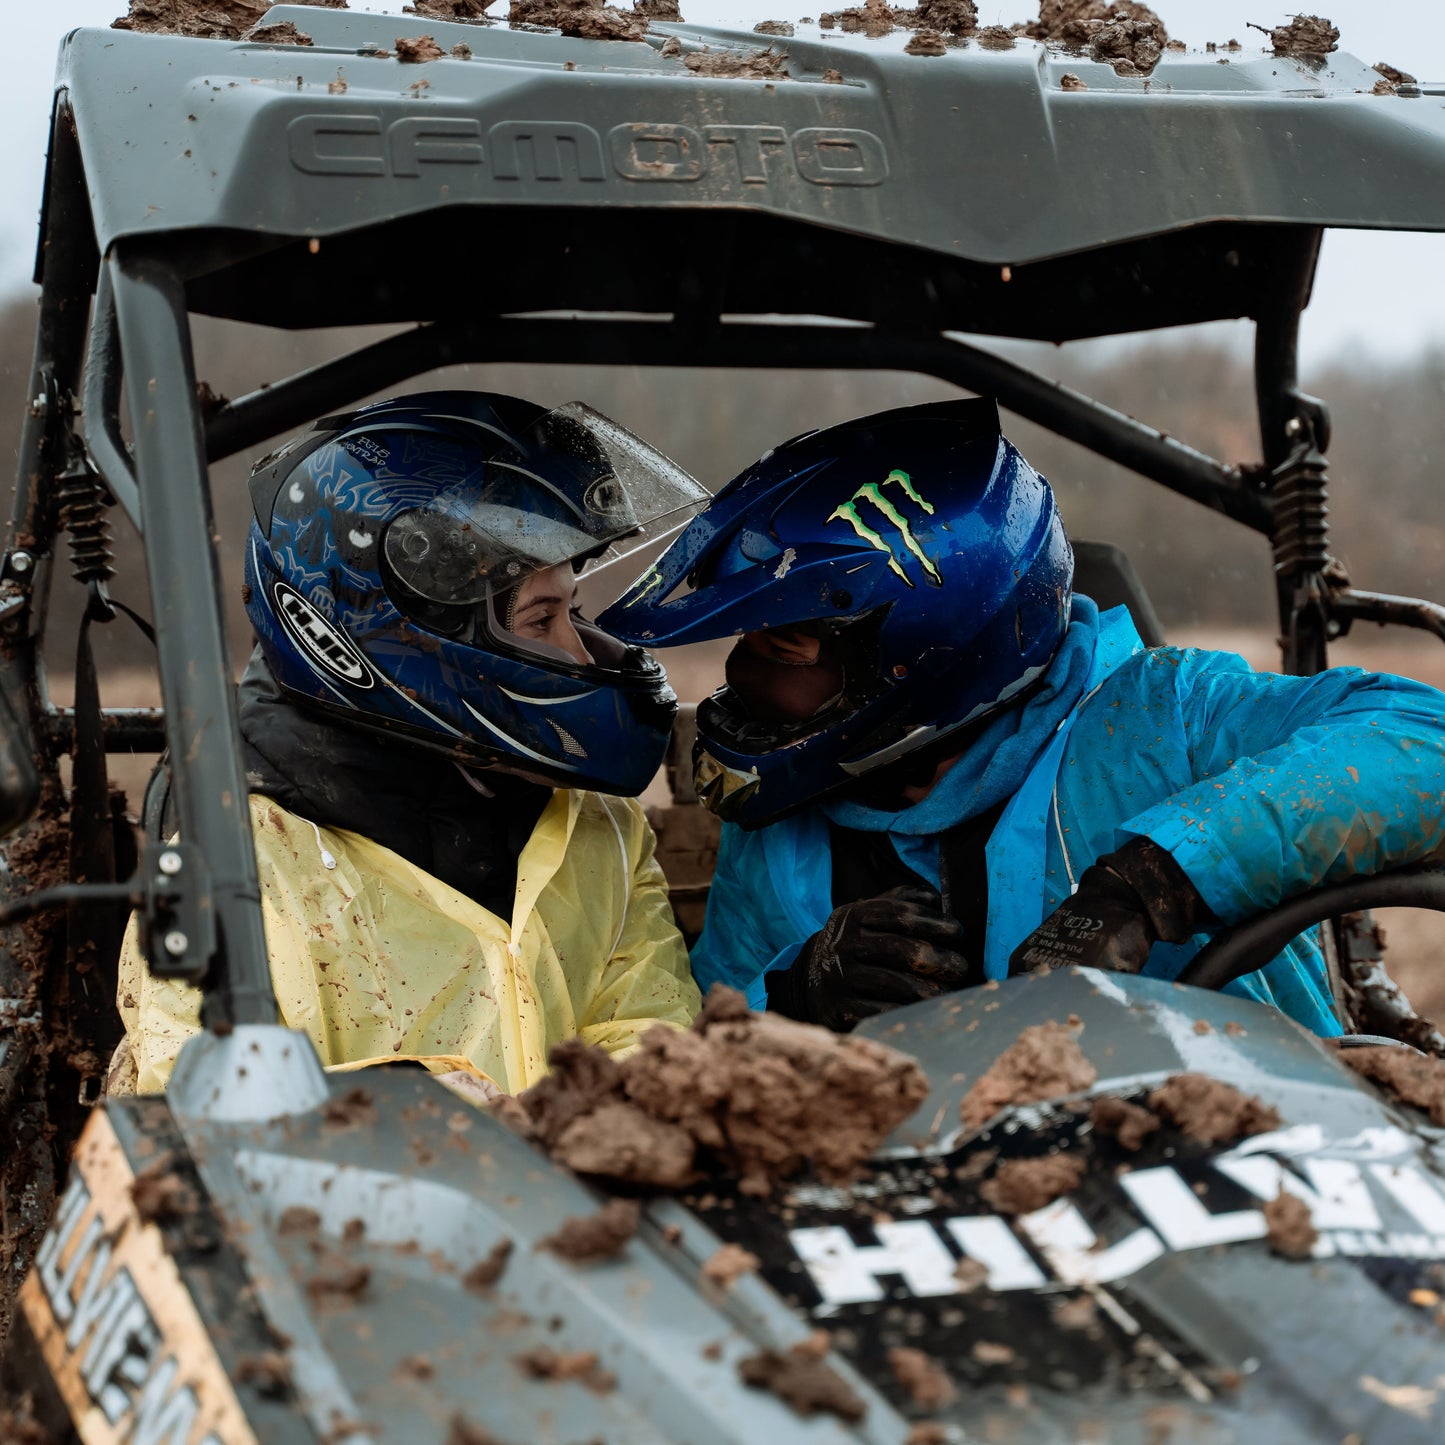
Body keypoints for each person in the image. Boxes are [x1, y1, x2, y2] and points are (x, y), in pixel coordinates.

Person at [598, 397, 1445, 1037]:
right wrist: (794, 994)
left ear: (925, 658)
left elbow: (1423, 739)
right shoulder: (775, 823)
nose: (742, 673)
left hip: (1245, 1175)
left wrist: (1153, 881)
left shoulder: (1162, 717)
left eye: (786, 649)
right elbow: (703, 1049)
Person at [115, 391, 706, 1095]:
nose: (581, 656)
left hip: (598, 1198)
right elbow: (195, 1108)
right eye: (541, 618)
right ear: (404, 640)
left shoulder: (597, 822)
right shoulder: (234, 856)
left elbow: (652, 1036)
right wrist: (417, 1112)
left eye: (571, 609)